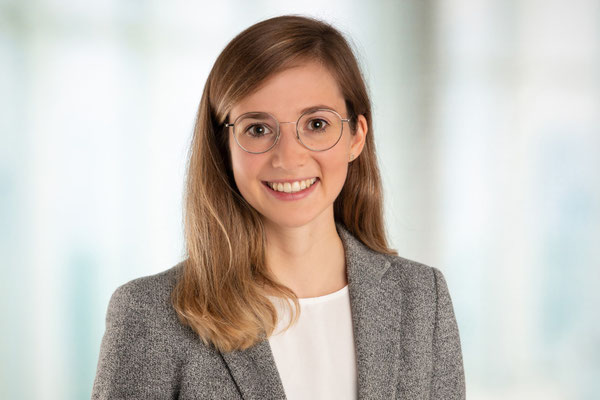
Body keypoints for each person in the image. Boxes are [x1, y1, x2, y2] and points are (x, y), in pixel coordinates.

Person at [91, 14, 466, 400]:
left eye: (316, 124)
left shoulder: (423, 298)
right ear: (224, 146)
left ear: (356, 137)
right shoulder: (149, 313)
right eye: (257, 129)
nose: (288, 158)